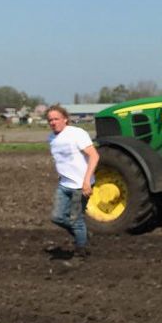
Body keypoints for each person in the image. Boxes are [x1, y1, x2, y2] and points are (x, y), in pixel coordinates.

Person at [46, 104, 99, 257]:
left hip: (81, 185)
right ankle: (82, 233)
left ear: (65, 119)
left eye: (56, 119)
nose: (53, 122)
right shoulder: (51, 138)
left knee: (76, 219)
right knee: (57, 217)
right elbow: (61, 160)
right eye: (50, 120)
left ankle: (80, 252)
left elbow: (94, 156)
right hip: (64, 184)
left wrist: (87, 181)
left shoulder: (77, 134)